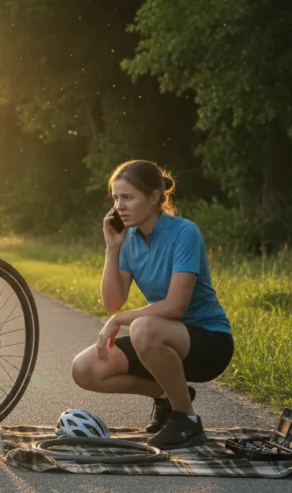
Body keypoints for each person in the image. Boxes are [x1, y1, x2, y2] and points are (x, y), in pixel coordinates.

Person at [69, 159, 233, 449]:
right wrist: (113, 248)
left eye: (128, 197)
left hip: (208, 341)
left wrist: (121, 320)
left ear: (155, 197)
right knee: (85, 369)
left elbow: (175, 307)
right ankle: (169, 396)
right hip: (161, 337)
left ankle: (187, 420)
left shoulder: (185, 232)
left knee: (143, 327)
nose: (120, 206)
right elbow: (113, 301)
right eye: (116, 198)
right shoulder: (129, 238)